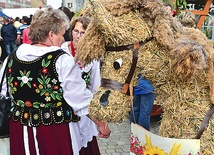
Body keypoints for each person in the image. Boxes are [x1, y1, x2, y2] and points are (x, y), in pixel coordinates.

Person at [0, 7, 110, 155]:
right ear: (51, 35)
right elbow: (80, 99)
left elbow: (4, 91)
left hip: (21, 130)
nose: (64, 39)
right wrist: (101, 124)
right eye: (62, 34)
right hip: (53, 131)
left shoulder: (11, 58)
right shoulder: (61, 60)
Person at [61, 16, 102, 154]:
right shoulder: (61, 51)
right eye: (76, 31)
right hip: (63, 112)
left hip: (83, 113)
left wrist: (95, 112)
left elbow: (95, 86)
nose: (78, 36)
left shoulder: (93, 56)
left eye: (83, 32)